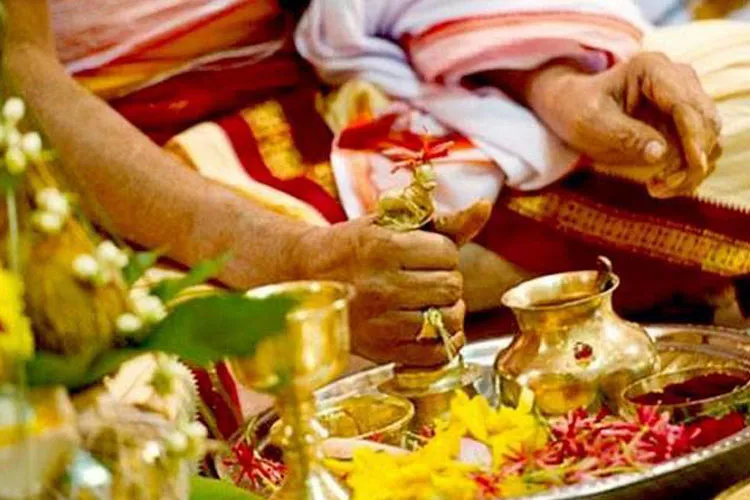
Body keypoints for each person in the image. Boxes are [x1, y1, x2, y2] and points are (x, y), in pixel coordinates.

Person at [2, 0, 727, 370]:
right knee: (127, 383)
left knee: (727, 108)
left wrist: (563, 87)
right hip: (99, 163)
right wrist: (291, 262)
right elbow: (17, 78)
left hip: (327, 86)